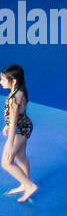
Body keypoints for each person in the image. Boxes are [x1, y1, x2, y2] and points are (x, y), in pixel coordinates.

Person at [1, 65, 37, 202]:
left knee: (6, 162)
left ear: (13, 80)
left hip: (19, 129)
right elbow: (17, 115)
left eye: (3, 79)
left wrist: (10, 143)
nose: (1, 82)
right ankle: (25, 183)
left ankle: (29, 186)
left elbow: (14, 119)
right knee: (20, 156)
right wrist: (7, 125)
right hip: (25, 125)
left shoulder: (14, 98)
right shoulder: (20, 91)